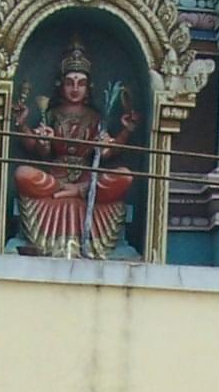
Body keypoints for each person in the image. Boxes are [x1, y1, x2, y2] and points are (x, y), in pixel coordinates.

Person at [10, 38, 140, 256]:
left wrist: (125, 131)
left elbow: (107, 152)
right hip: (54, 180)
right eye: (70, 82)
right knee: (23, 174)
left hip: (88, 180)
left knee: (125, 176)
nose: (75, 88)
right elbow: (37, 148)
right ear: (62, 85)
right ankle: (67, 191)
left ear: (88, 87)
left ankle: (78, 191)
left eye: (80, 83)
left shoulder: (96, 117)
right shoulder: (52, 114)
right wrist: (23, 125)